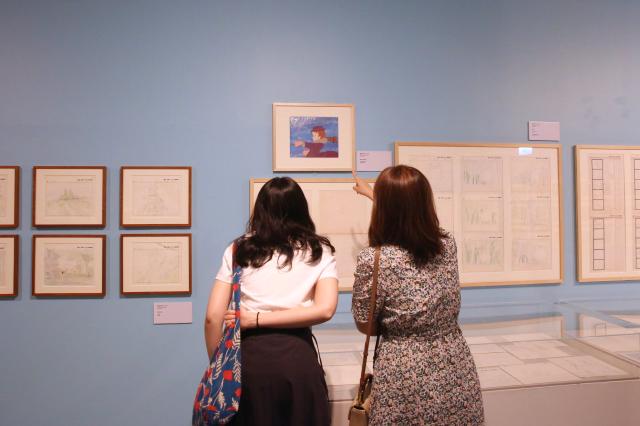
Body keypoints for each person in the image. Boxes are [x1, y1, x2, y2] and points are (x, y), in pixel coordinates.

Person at [351, 166, 485, 425]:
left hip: (403, 372)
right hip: (454, 365)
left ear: (383, 209)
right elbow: (408, 217)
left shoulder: (375, 259)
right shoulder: (447, 246)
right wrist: (374, 196)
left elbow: (366, 324)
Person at [204, 176, 338, 426]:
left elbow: (212, 317)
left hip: (249, 363)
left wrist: (219, 364)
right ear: (301, 209)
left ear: (260, 210)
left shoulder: (239, 249)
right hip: (299, 361)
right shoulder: (319, 250)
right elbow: (325, 309)